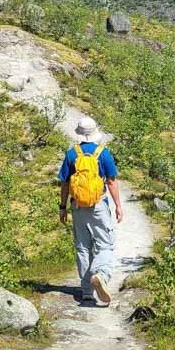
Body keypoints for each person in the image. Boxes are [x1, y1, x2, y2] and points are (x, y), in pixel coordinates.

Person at [58, 116, 124, 305]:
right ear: (94, 133)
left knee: (83, 246)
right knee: (104, 244)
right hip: (98, 205)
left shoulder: (72, 154)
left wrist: (63, 207)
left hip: (77, 206)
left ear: (79, 134)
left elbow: (64, 183)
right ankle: (101, 274)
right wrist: (118, 205)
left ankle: (87, 290)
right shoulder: (103, 153)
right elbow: (111, 181)